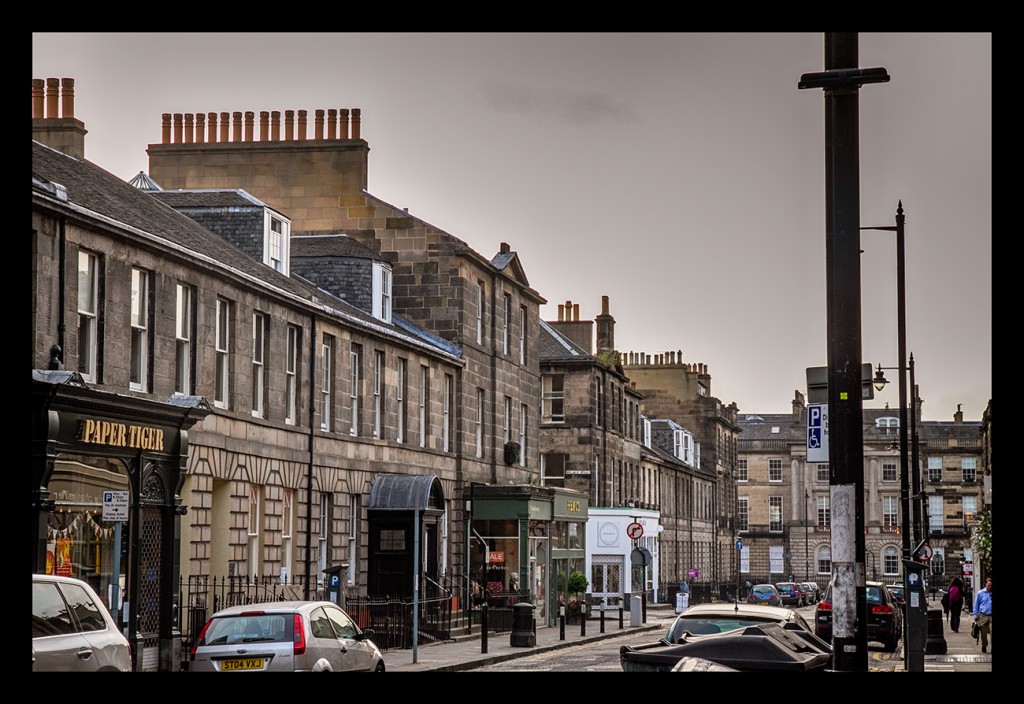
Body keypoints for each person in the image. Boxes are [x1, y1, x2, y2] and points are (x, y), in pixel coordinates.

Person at [972, 577, 992, 653]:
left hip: (991, 615)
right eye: (989, 585)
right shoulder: (980, 593)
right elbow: (976, 605)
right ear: (985, 585)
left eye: (991, 585)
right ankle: (984, 644)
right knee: (983, 633)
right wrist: (975, 615)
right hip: (983, 615)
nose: (990, 587)